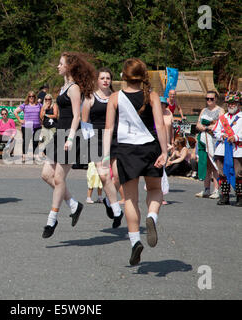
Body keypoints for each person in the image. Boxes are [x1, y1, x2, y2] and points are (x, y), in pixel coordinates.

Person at [103, 58, 167, 266]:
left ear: (123, 76)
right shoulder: (153, 96)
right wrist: (165, 151)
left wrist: (105, 157)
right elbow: (160, 125)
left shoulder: (114, 97)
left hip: (126, 151)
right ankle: (152, 217)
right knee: (155, 190)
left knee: (130, 199)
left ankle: (134, 242)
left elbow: (109, 130)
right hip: (150, 149)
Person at [41, 51, 96, 238]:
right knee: (46, 175)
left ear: (69, 67)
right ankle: (73, 204)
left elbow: (77, 116)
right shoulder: (64, 86)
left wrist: (71, 138)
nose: (57, 66)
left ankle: (52, 218)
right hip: (60, 133)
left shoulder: (74, 88)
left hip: (70, 135)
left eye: (60, 63)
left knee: (58, 178)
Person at [81, 67, 124, 227]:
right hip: (97, 140)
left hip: (115, 138)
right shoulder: (90, 98)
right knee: (104, 176)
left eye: (108, 78)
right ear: (97, 81)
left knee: (118, 176)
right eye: (102, 78)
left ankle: (108, 200)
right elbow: (84, 122)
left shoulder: (117, 97)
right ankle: (117, 210)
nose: (106, 80)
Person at [213, 91, 242, 206]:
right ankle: (224, 196)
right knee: (222, 173)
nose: (231, 105)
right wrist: (222, 135)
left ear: (238, 103)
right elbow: (215, 131)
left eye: (233, 103)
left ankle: (240, 197)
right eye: (229, 103)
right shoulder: (222, 118)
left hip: (237, 149)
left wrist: (235, 137)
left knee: (238, 173)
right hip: (222, 149)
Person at [195, 91, 224, 199]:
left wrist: (208, 127)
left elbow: (220, 125)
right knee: (205, 163)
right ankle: (206, 189)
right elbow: (198, 124)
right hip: (203, 138)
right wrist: (202, 127)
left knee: (215, 164)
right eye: (207, 99)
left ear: (216, 99)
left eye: (211, 99)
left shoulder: (220, 110)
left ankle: (216, 190)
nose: (209, 101)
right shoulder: (204, 110)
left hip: (214, 140)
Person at [14, 91, 42, 162]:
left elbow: (43, 111)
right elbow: (15, 111)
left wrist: (42, 120)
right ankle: (24, 156)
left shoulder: (38, 105)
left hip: (37, 125)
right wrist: (20, 120)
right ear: (28, 97)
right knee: (26, 141)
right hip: (27, 126)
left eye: (33, 96)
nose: (31, 98)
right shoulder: (25, 105)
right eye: (30, 96)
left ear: (35, 97)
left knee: (35, 141)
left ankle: (35, 156)